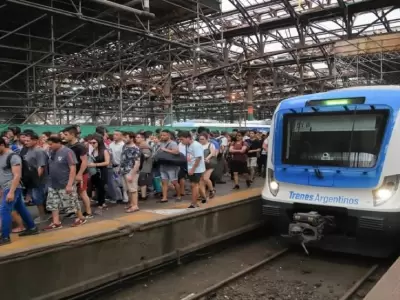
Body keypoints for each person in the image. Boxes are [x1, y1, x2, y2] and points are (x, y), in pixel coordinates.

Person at [0, 138, 39, 245]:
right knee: (20, 208)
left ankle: (5, 237)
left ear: (2, 145)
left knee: (4, 210)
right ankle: (32, 227)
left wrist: (11, 192)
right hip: (5, 187)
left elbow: (17, 175)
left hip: (13, 186)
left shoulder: (13, 157)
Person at [46, 136, 87, 229]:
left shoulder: (68, 152)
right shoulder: (52, 152)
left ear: (58, 143)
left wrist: (69, 184)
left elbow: (73, 168)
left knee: (72, 201)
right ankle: (56, 222)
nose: (49, 146)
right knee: (53, 203)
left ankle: (80, 218)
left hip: (65, 182)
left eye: (51, 144)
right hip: (53, 183)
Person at [63, 126, 93, 219]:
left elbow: (84, 161)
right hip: (71, 173)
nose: (64, 136)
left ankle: (88, 212)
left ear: (72, 134)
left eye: (66, 134)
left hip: (81, 174)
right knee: (72, 194)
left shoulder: (80, 146)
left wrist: (80, 174)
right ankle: (74, 211)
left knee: (82, 192)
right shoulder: (67, 146)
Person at [22, 132, 50, 224]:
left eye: (28, 141)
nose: (25, 142)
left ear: (35, 140)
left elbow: (41, 167)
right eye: (25, 140)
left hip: (40, 180)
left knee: (38, 198)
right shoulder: (29, 150)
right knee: (37, 197)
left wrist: (36, 180)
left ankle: (43, 216)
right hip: (32, 179)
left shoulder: (39, 151)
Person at [178, 131, 207, 208]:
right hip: (190, 167)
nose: (181, 141)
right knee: (196, 184)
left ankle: (194, 203)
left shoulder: (196, 145)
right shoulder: (188, 145)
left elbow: (198, 158)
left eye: (182, 139)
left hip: (196, 168)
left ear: (188, 138)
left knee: (194, 185)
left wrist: (193, 169)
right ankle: (203, 197)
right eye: (180, 140)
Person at [87, 135, 110, 212]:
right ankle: (100, 201)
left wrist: (95, 164)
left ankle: (102, 202)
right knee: (97, 187)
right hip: (95, 171)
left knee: (101, 187)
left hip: (102, 171)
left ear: (99, 142)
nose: (92, 144)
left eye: (94, 142)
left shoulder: (104, 151)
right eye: (91, 143)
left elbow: (107, 162)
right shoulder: (93, 151)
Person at [120, 132, 141, 213]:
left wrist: (132, 174)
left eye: (125, 137)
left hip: (131, 171)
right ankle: (132, 204)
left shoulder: (136, 149)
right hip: (124, 170)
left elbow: (137, 163)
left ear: (131, 138)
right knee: (128, 189)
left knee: (133, 189)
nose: (123, 139)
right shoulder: (124, 146)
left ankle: (135, 205)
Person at [158, 130, 181, 203]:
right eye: (161, 135)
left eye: (164, 135)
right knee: (164, 182)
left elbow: (176, 152)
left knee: (174, 181)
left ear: (169, 135)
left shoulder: (173, 143)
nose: (162, 137)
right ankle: (164, 197)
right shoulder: (161, 143)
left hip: (172, 166)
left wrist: (165, 149)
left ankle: (179, 195)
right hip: (163, 165)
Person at [198, 133, 217, 199]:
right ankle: (203, 195)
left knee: (205, 178)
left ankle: (212, 190)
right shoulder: (198, 145)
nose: (201, 140)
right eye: (200, 139)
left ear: (206, 139)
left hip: (210, 164)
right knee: (201, 180)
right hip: (201, 164)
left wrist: (207, 158)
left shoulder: (210, 144)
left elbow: (212, 153)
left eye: (202, 139)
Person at [135, 133, 152, 201]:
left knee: (142, 182)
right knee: (140, 182)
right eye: (136, 137)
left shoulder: (145, 146)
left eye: (138, 137)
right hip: (141, 166)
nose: (136, 138)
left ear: (143, 138)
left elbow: (146, 156)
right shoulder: (139, 146)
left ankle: (143, 196)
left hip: (144, 166)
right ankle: (142, 195)